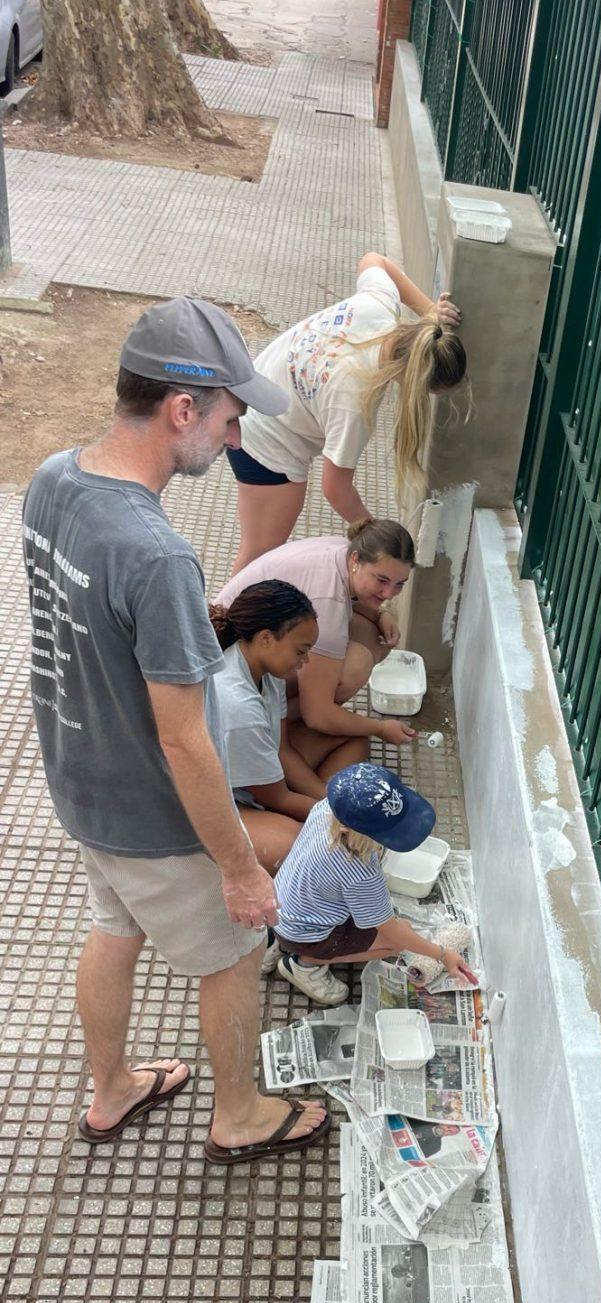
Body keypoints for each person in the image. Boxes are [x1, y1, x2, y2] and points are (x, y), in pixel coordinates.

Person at [21, 297, 330, 1166]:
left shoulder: (53, 479)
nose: (236, 439)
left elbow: (80, 628)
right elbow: (187, 741)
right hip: (153, 814)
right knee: (234, 955)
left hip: (81, 783)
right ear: (181, 408)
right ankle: (240, 1115)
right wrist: (238, 868)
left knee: (114, 930)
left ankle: (111, 1089)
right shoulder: (157, 555)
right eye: (231, 418)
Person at [225, 252, 466, 573]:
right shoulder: (355, 400)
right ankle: (217, 622)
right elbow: (335, 488)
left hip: (254, 393)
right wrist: (373, 531)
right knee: (259, 558)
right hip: (265, 441)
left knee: (258, 556)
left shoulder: (379, 305)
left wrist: (429, 310)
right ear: (414, 381)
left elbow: (374, 260)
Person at [214, 518, 418, 772]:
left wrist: (379, 614)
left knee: (371, 636)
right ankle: (293, 718)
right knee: (350, 679)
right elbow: (317, 717)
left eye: (400, 584)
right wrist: (380, 728)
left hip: (235, 646)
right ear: (356, 560)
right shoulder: (327, 602)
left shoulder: (342, 550)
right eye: (382, 580)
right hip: (233, 680)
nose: (389, 593)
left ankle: (292, 717)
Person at [271, 762, 478, 1005]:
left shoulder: (326, 808)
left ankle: (273, 944)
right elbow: (393, 933)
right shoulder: (360, 873)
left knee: (391, 928)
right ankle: (304, 964)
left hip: (277, 905)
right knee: (395, 944)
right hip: (305, 935)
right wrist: (443, 955)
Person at [207, 580, 337, 872]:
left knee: (350, 740)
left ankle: (326, 814)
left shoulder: (266, 667)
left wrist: (329, 802)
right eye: (301, 651)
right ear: (266, 638)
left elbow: (282, 749)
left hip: (259, 779)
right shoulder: (237, 705)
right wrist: (341, 819)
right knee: (299, 851)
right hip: (218, 800)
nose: (305, 661)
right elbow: (277, 797)